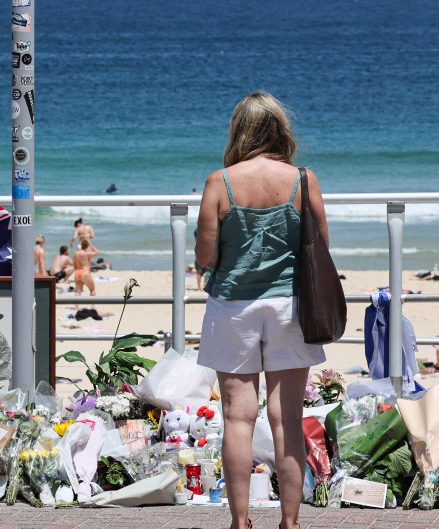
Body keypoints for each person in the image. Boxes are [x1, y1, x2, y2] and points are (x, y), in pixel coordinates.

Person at [195, 92, 328, 529]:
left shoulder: (221, 181)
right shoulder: (303, 180)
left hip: (233, 305)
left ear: (240, 130)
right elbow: (320, 248)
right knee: (287, 416)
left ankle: (240, 521)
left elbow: (207, 255)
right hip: (290, 305)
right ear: (279, 129)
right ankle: (290, 522)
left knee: (237, 416)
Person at [73, 239, 99, 303]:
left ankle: (76, 308)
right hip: (85, 272)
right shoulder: (86, 254)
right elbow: (96, 252)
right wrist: (91, 245)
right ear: (87, 247)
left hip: (77, 272)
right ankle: (92, 307)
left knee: (78, 291)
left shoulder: (76, 254)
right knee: (92, 290)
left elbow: (74, 264)